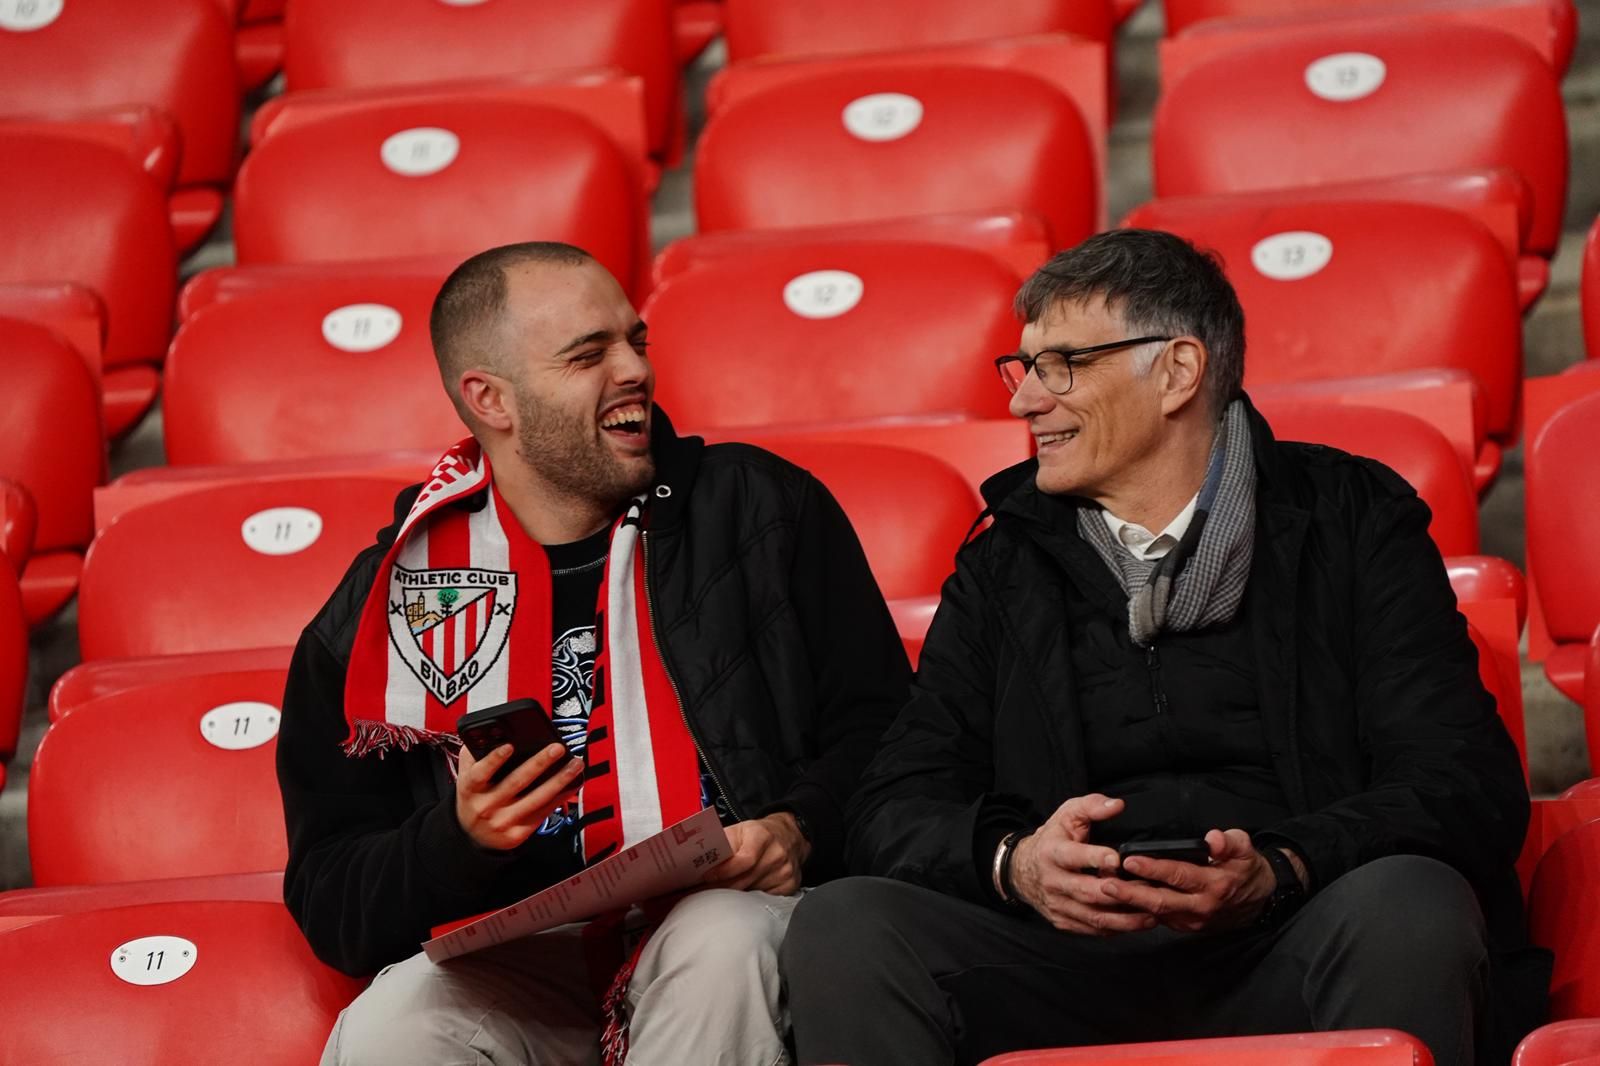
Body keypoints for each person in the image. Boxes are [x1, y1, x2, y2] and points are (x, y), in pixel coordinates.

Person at [781, 229, 1548, 1066]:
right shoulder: (1005, 560)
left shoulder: (1352, 520)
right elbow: (892, 803)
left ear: (1178, 372)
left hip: (1292, 933)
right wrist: (1017, 864)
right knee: (845, 926)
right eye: (1025, 367)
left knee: (1411, 905)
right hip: (1065, 962)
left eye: (1062, 365)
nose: (1024, 401)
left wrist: (1284, 866)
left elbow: (1463, 782)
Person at [276, 241, 911, 1066]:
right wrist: (458, 840)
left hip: (729, 917)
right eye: (589, 355)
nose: (635, 370)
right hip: (523, 962)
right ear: (491, 399)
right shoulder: (386, 594)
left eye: (635, 341)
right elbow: (331, 896)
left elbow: (893, 733)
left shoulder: (761, 511)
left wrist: (801, 826)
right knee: (394, 1021)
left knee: (718, 941)